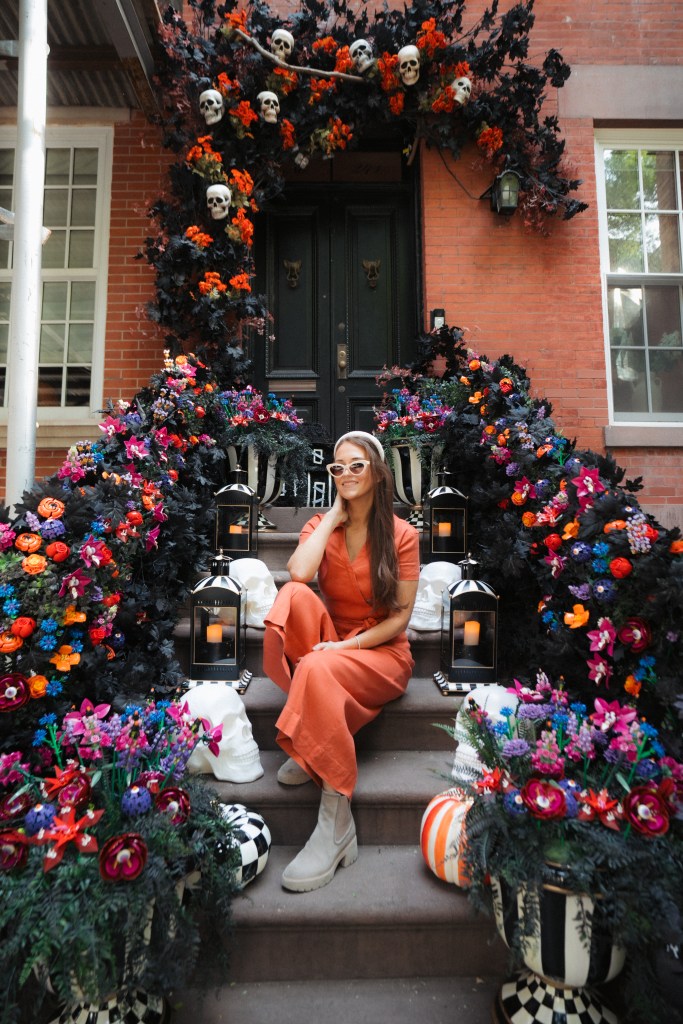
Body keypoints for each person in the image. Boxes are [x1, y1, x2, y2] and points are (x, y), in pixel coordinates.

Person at [262, 430, 419, 893]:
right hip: (334, 642)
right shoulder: (321, 526)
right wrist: (334, 515)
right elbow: (298, 574)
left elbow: (400, 619)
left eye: (356, 465)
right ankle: (313, 738)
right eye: (337, 467)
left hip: (381, 653)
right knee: (291, 597)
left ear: (376, 472)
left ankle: (336, 826)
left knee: (315, 666)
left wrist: (344, 649)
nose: (346, 474)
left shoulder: (401, 534)